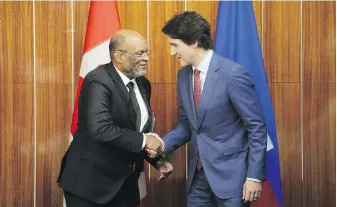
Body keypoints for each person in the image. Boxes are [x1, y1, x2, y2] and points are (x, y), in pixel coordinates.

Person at [161, 11, 267, 207]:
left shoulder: (233, 74)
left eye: (175, 45)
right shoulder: (183, 76)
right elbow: (187, 126)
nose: (172, 53)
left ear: (194, 42)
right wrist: (161, 145)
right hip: (198, 179)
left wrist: (254, 176)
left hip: (232, 179)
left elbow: (256, 127)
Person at [57, 29, 172, 207]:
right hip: (90, 184)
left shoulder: (143, 84)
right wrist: (145, 140)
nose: (146, 58)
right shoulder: (98, 80)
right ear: (118, 55)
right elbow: (100, 129)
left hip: (125, 184)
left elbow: (136, 132)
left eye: (147, 52)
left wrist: (157, 161)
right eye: (139, 53)